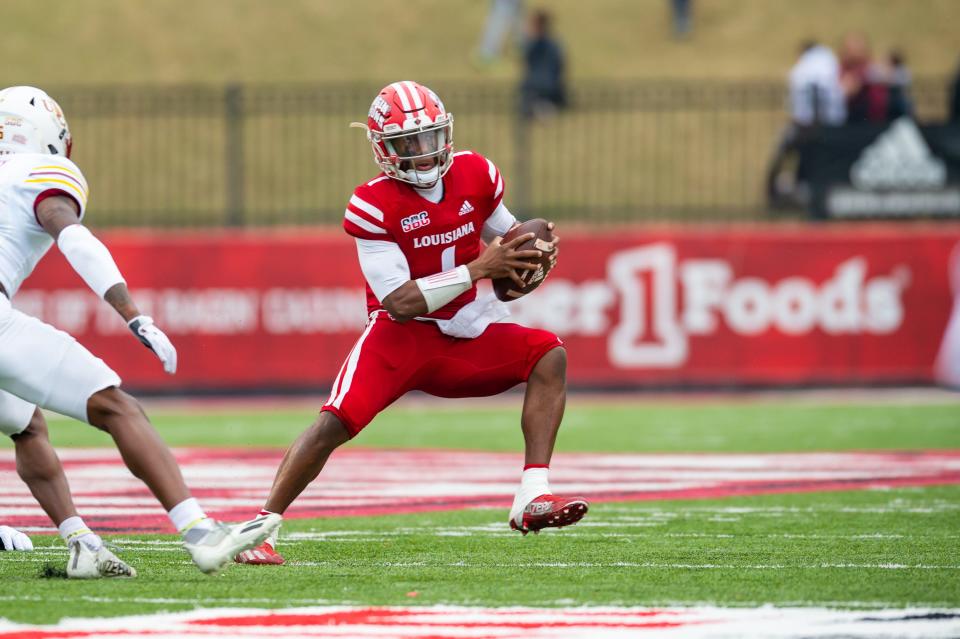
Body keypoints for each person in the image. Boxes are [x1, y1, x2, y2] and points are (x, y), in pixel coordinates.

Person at [237, 81, 588, 565]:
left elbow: (506, 235)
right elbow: (399, 301)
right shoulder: (372, 204)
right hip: (400, 337)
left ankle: (532, 494)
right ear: (383, 148)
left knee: (549, 354)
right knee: (331, 425)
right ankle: (261, 529)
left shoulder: (476, 173)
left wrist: (530, 246)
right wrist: (478, 269)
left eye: (429, 139)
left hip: (463, 332)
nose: (422, 155)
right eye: (408, 144)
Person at [0, 86, 279, 578]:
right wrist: (132, 313)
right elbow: (72, 236)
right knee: (116, 406)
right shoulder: (40, 172)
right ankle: (199, 532)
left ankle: (82, 544)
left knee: (26, 423)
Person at [766, 41, 845, 208]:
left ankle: (780, 194)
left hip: (807, 124)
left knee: (800, 160)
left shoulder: (810, 65)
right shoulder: (827, 60)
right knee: (808, 162)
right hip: (825, 124)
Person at [520, 10, 567, 120]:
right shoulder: (556, 43)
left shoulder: (533, 46)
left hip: (539, 89)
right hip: (551, 88)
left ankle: (541, 108)